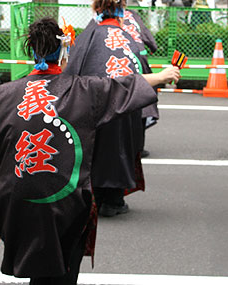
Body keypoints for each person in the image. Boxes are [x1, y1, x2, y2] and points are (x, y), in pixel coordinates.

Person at [0, 17, 180, 285]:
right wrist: (164, 75)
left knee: (41, 268)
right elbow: (126, 85)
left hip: (16, 201)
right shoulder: (85, 90)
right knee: (61, 270)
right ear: (63, 55)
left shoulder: (3, 94)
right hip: (66, 203)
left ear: (32, 51)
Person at [65, 0, 161, 217]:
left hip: (93, 103)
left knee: (95, 149)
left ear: (96, 8)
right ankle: (115, 200)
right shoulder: (128, 38)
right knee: (121, 148)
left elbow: (71, 69)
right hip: (124, 105)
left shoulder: (89, 35)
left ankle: (96, 198)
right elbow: (143, 71)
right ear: (122, 9)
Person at [122, 5, 159, 157]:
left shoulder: (100, 19)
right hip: (139, 60)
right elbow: (149, 39)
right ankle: (138, 146)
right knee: (143, 101)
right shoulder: (133, 16)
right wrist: (152, 47)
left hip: (118, 63)